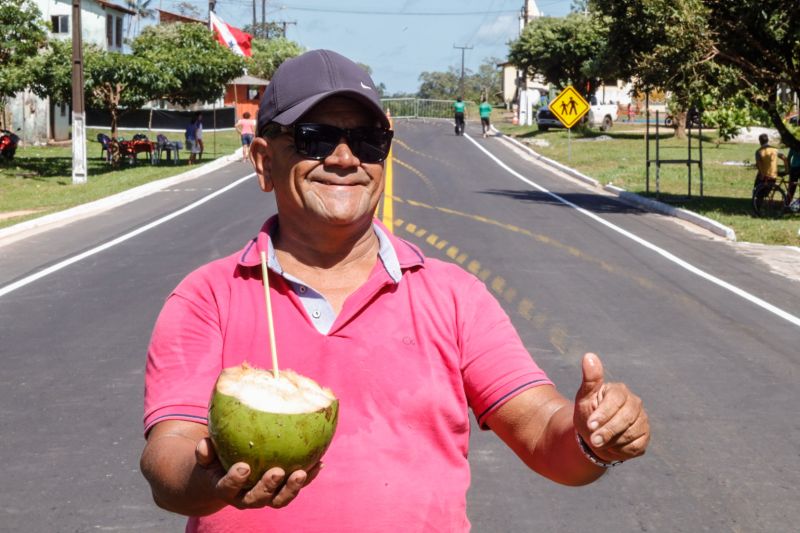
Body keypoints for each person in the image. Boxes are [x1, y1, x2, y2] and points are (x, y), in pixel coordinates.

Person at [140, 49, 650, 532]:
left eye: (367, 141)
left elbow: (542, 430)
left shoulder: (453, 297)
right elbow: (169, 453)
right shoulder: (208, 297)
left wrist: (593, 437)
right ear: (263, 161)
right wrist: (210, 481)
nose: (345, 158)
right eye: (315, 138)